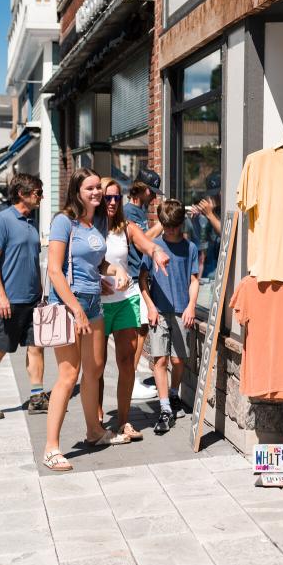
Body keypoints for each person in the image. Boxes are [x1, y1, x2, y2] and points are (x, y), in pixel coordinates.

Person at [43, 168, 169, 472]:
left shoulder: (94, 222)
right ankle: (51, 447)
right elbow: (54, 271)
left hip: (93, 303)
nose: (97, 193)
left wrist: (116, 271)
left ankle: (94, 431)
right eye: (91, 188)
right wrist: (76, 310)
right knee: (68, 375)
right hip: (69, 304)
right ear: (77, 191)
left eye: (99, 187)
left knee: (95, 369)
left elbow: (97, 262)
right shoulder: (64, 221)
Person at [97, 177, 169, 440]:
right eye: (108, 197)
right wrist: (95, 280)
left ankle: (124, 422)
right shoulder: (87, 228)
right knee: (97, 365)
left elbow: (144, 242)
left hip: (126, 300)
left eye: (117, 197)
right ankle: (97, 421)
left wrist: (156, 252)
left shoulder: (124, 226)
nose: (113, 202)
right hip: (97, 305)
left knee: (127, 363)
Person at [0, 174, 48, 421]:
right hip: (8, 300)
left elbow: (32, 261)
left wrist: (40, 293)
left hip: (32, 299)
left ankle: (37, 397)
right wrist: (0, 295)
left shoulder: (30, 221)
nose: (41, 196)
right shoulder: (1, 221)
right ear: (21, 193)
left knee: (36, 347)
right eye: (37, 192)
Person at [140, 199, 200, 435]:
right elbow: (142, 279)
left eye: (175, 226)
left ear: (181, 224)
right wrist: (150, 306)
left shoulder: (190, 248)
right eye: (167, 226)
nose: (171, 230)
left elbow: (194, 280)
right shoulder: (153, 246)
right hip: (159, 312)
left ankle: (174, 394)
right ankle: (164, 407)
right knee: (160, 360)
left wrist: (192, 306)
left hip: (181, 310)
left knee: (178, 360)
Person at [123, 174, 164, 399]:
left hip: (139, 274)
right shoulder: (129, 212)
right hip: (132, 276)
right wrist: (160, 225)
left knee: (142, 328)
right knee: (139, 328)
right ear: (141, 189)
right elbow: (141, 241)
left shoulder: (138, 212)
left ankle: (132, 377)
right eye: (151, 192)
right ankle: (131, 380)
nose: (153, 197)